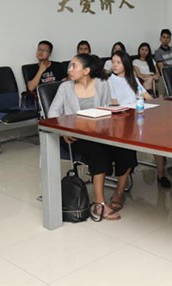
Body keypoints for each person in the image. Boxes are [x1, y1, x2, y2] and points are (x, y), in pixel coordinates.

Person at [49, 54, 135, 220]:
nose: (69, 69)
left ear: (86, 71)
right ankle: (99, 204)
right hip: (74, 136)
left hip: (100, 133)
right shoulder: (65, 87)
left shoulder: (101, 84)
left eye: (74, 66)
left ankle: (118, 193)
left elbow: (108, 108)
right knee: (99, 152)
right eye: (70, 66)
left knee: (126, 147)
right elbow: (53, 113)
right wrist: (64, 131)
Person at [108, 51, 171, 189]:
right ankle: (124, 178)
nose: (114, 65)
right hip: (124, 119)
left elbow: (146, 96)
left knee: (157, 138)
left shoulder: (132, 78)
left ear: (125, 64)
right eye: (113, 62)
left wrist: (158, 106)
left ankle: (161, 173)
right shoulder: (110, 81)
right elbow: (115, 104)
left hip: (139, 115)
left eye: (118, 62)